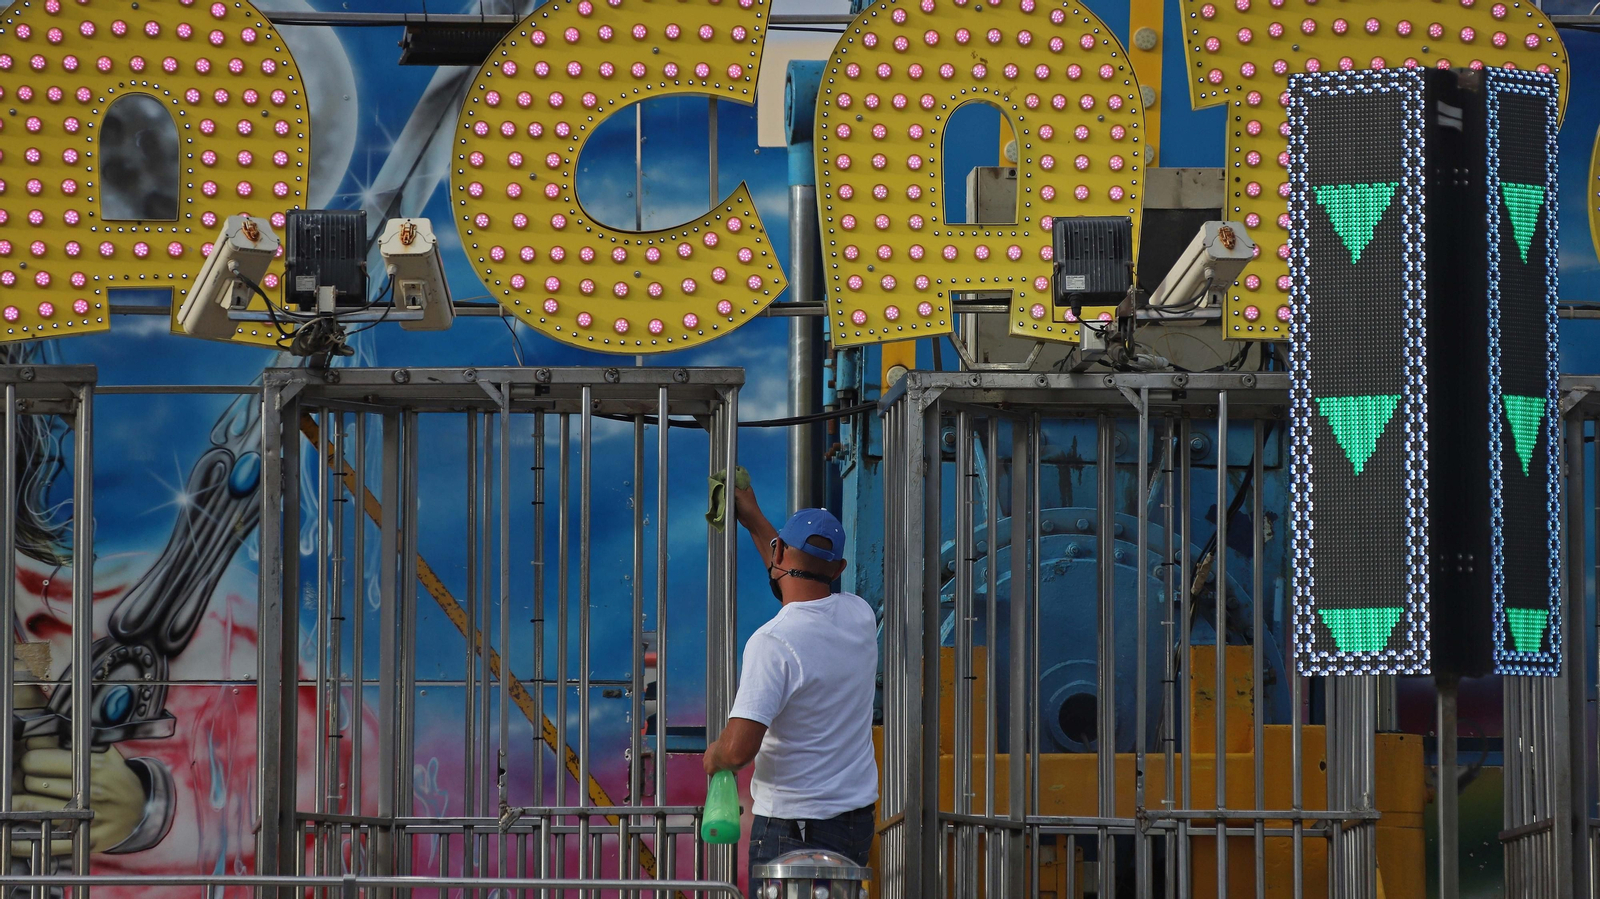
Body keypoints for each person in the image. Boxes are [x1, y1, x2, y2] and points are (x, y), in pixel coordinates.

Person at [702, 484, 879, 888]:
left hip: (793, 829)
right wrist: (754, 517)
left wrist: (714, 756)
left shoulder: (772, 642)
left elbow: (738, 749)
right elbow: (799, 573)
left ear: (779, 552)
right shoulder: (860, 616)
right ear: (838, 569)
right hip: (853, 824)